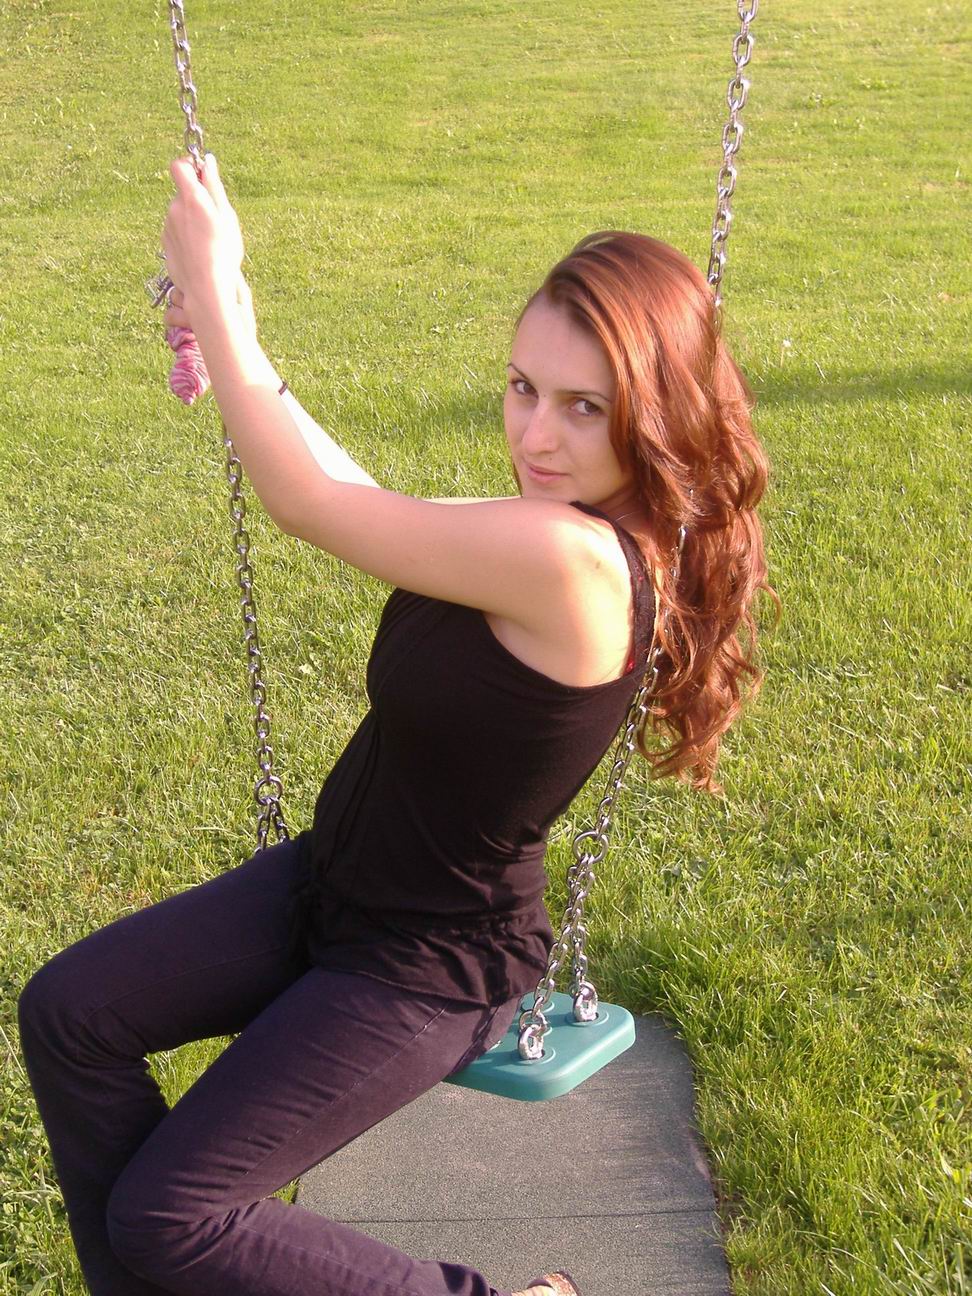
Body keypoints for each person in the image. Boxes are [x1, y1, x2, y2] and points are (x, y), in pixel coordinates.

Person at [18, 154, 776, 1296]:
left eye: (585, 407)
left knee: (174, 1214)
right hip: (331, 885)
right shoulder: (550, 522)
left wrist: (219, 295)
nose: (537, 433)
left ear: (656, 413)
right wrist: (236, 341)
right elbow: (363, 494)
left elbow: (309, 505)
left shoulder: (575, 561)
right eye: (522, 388)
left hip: (428, 965)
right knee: (71, 1014)